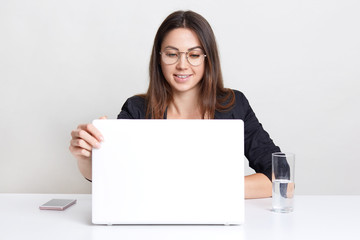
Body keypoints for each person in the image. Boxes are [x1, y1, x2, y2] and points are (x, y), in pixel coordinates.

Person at [69, 10, 280, 199]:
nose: (182, 65)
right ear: (159, 58)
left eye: (194, 55)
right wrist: (85, 157)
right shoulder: (137, 109)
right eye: (171, 54)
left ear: (208, 59)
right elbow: (109, 176)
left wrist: (202, 189)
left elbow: (282, 179)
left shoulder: (233, 105)